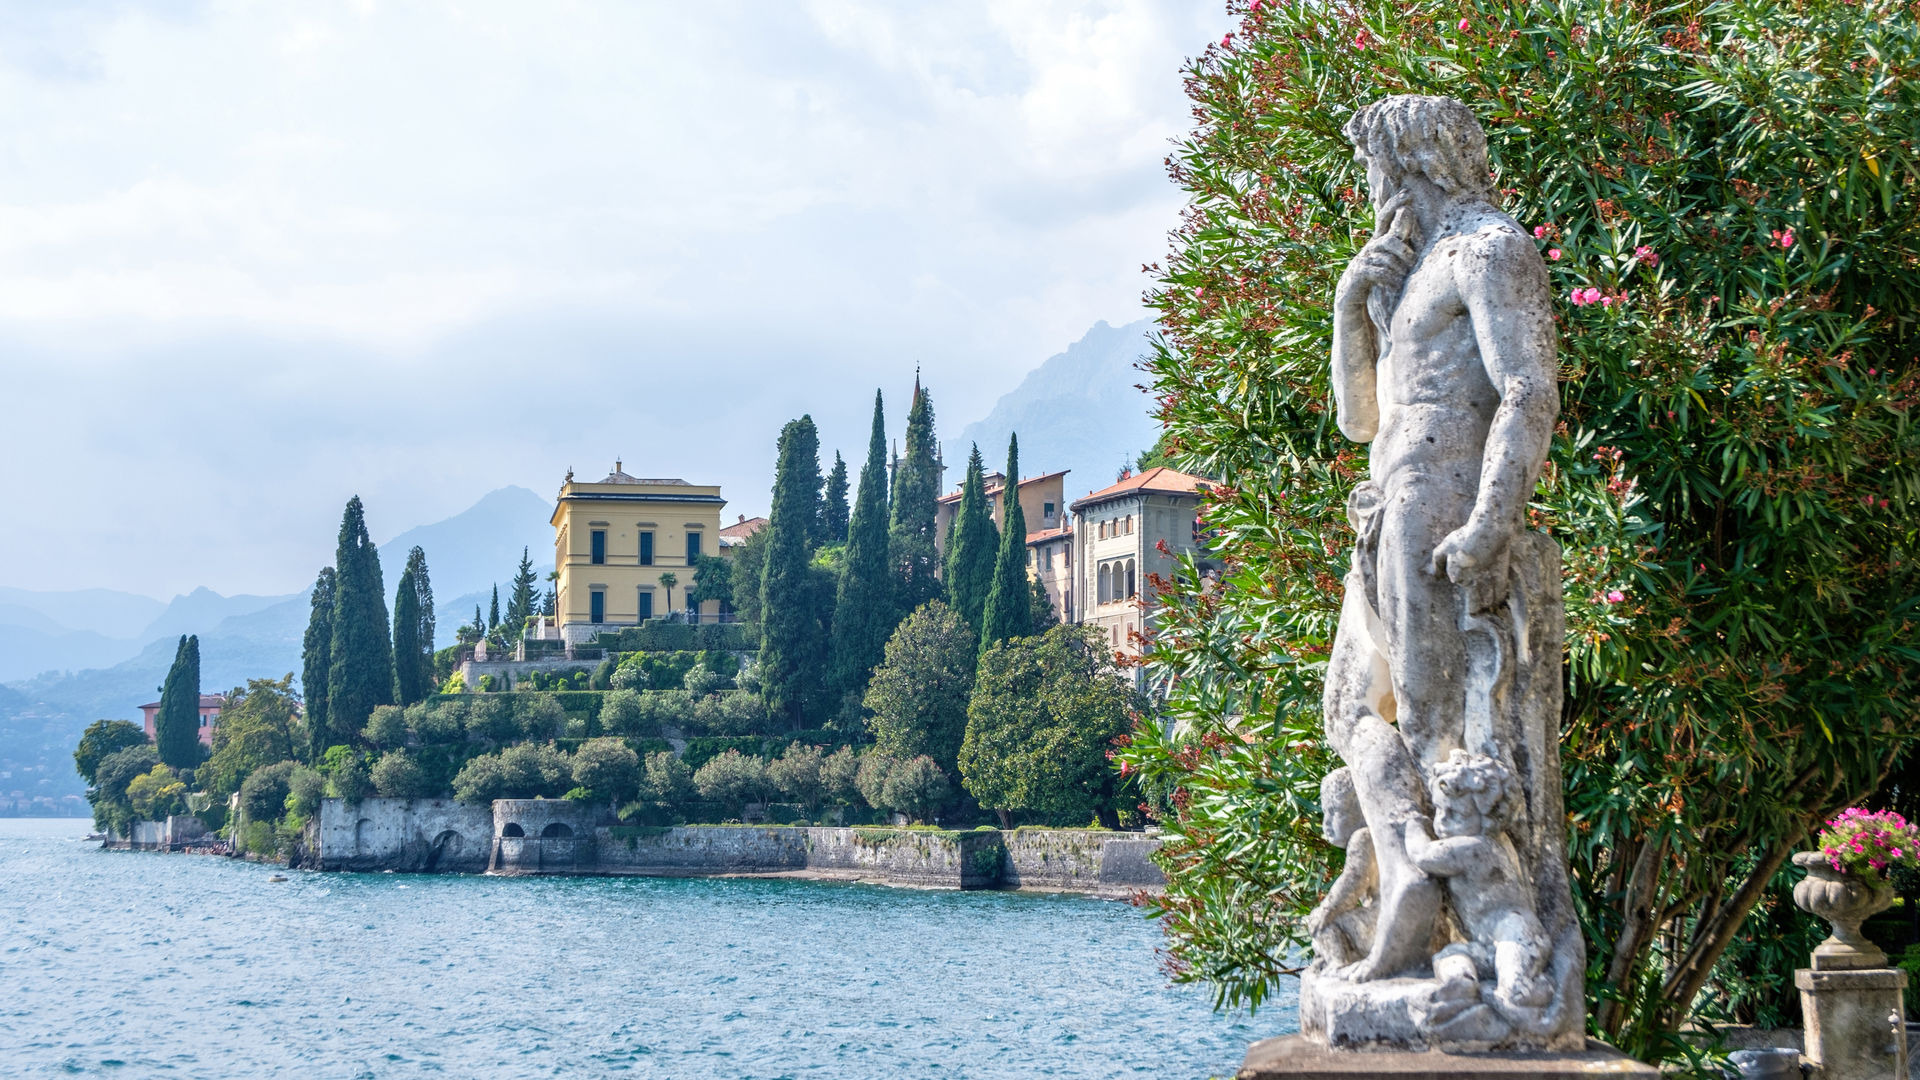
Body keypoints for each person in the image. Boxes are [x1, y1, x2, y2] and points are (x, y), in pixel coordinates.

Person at [1318, 94, 1560, 982]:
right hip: (1385, 504)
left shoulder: (1491, 249)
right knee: (1350, 706)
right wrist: (1351, 303)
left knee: (1429, 721)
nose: (1372, 188)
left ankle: (1449, 925)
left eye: (1376, 171)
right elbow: (1358, 421)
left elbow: (1528, 391)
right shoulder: (1413, 267)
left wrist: (1492, 520)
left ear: (1411, 164)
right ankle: (1411, 866)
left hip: (1438, 503)